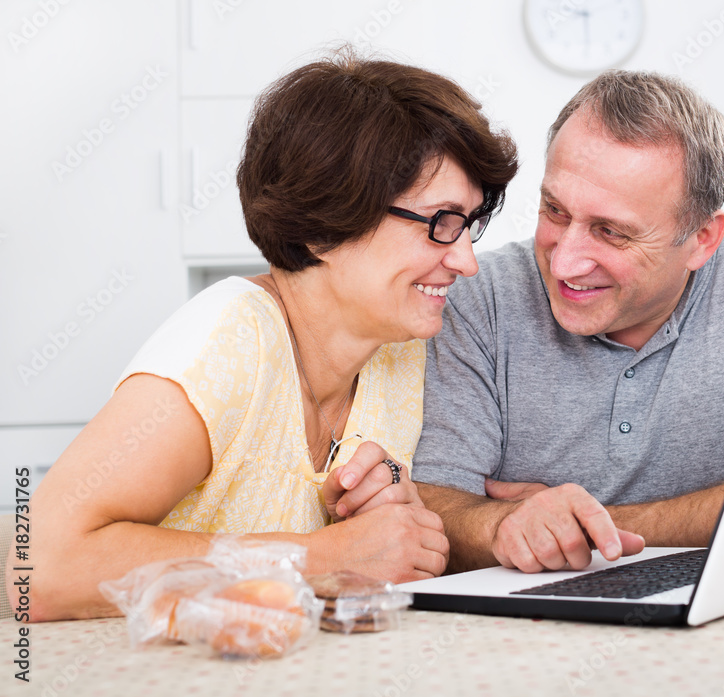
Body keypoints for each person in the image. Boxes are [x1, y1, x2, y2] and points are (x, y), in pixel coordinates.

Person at [11, 50, 518, 620]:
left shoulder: (397, 351)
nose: (467, 262)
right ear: (327, 225)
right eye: (439, 225)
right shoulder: (230, 341)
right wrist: (316, 556)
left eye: (469, 225)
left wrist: (399, 519)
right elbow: (38, 567)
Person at [411, 70, 724, 574]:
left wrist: (583, 526)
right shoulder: (478, 295)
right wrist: (503, 526)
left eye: (611, 232)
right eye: (554, 211)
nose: (564, 265)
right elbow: (431, 508)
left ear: (701, 240)